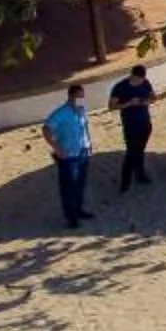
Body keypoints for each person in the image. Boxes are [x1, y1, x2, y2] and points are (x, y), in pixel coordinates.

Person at [41, 82, 94, 227]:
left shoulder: (82, 111)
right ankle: (71, 217)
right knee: (68, 186)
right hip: (68, 155)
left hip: (82, 152)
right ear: (71, 96)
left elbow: (85, 128)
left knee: (80, 184)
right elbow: (46, 129)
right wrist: (57, 148)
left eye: (82, 96)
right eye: (79, 96)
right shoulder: (61, 113)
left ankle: (78, 209)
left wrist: (89, 144)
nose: (81, 99)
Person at [107, 61, 157, 190]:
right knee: (131, 152)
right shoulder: (120, 87)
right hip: (130, 124)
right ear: (133, 76)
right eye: (139, 79)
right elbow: (111, 106)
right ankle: (125, 180)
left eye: (143, 79)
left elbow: (153, 97)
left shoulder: (145, 83)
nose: (142, 82)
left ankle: (140, 174)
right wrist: (129, 103)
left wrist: (145, 101)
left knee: (139, 151)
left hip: (145, 122)